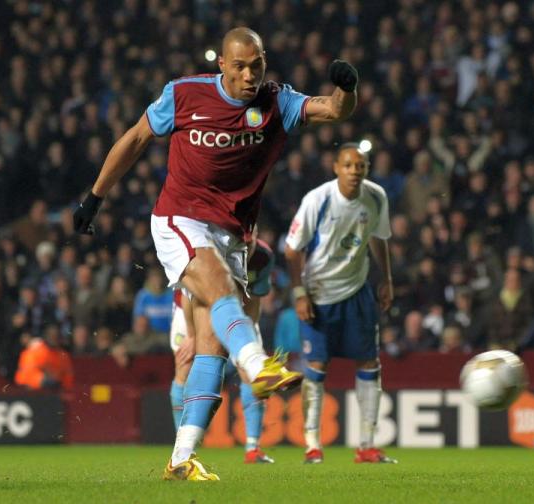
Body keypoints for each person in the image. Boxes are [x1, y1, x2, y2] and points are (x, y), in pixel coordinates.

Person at [72, 27, 359, 480]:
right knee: (220, 291)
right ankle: (257, 363)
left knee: (210, 349)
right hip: (179, 220)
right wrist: (95, 196)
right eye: (240, 66)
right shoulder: (184, 95)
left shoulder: (276, 102)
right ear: (221, 64)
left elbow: (333, 111)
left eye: (257, 66)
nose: (249, 76)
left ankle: (180, 459)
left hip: (231, 235)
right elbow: (136, 138)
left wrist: (346, 89)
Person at [284, 143, 395, 464]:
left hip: (358, 291)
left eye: (360, 166)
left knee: (369, 364)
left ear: (367, 170)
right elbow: (292, 251)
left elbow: (378, 236)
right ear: (336, 168)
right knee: (316, 368)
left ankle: (367, 445)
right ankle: (312, 446)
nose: (354, 172)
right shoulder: (317, 200)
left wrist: (385, 278)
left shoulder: (375, 197)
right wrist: (299, 293)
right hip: (319, 294)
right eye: (348, 166)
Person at [169, 234, 276, 464]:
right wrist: (192, 335)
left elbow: (254, 301)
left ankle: (253, 448)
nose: (247, 241)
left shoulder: (263, 257)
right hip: (189, 308)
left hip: (235, 312)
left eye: (251, 237)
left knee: (252, 371)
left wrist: (245, 340)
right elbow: (191, 294)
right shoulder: (215, 245)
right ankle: (182, 448)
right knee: (185, 366)